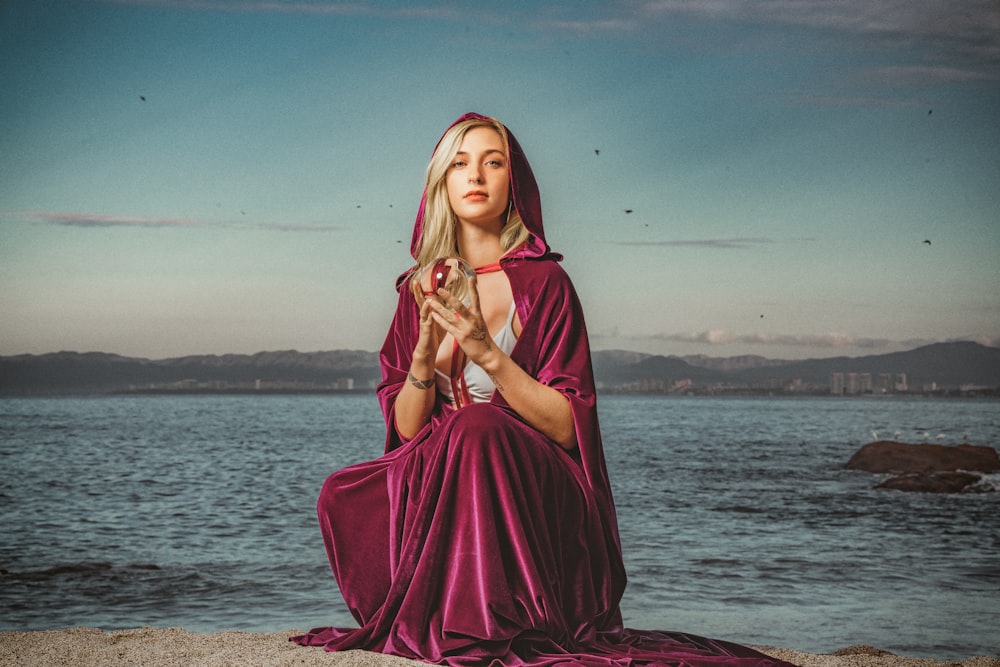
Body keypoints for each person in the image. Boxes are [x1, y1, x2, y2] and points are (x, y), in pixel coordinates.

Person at [291, 112, 793, 666]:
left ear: (515, 186)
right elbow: (406, 430)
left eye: (492, 162)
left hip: (533, 481)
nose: (475, 175)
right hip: (444, 474)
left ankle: (491, 620)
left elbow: (566, 424)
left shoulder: (546, 283)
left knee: (477, 423)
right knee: (344, 489)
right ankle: (446, 612)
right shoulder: (417, 288)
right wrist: (421, 354)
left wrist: (486, 352)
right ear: (441, 184)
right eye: (459, 164)